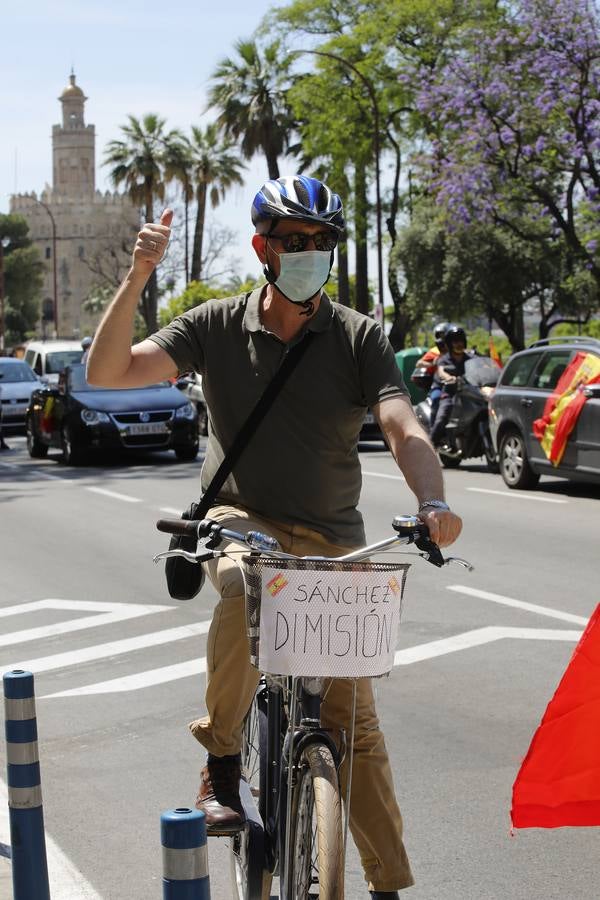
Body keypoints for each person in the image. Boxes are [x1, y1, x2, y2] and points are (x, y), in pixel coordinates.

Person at [86, 174, 463, 899]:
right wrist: (138, 276)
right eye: (296, 243)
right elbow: (109, 370)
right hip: (242, 517)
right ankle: (221, 760)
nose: (311, 255)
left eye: (323, 243)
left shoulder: (359, 336)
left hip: (332, 540)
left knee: (357, 729)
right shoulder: (215, 325)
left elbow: (401, 424)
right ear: (263, 248)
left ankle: (386, 885)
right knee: (240, 584)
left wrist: (435, 497)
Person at [429, 324, 474, 448]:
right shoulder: (444, 359)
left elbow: (481, 367)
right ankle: (431, 444)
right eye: (455, 341)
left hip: (468, 392)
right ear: (449, 343)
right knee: (442, 415)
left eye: (460, 340)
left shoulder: (470, 358)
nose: (458, 344)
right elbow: (441, 371)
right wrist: (448, 377)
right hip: (450, 392)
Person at [413, 321, 449, 421]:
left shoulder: (457, 348)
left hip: (459, 384)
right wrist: (433, 363)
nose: (442, 338)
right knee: (436, 400)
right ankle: (434, 431)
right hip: (440, 385)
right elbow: (419, 363)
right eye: (440, 335)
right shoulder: (435, 351)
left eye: (445, 335)